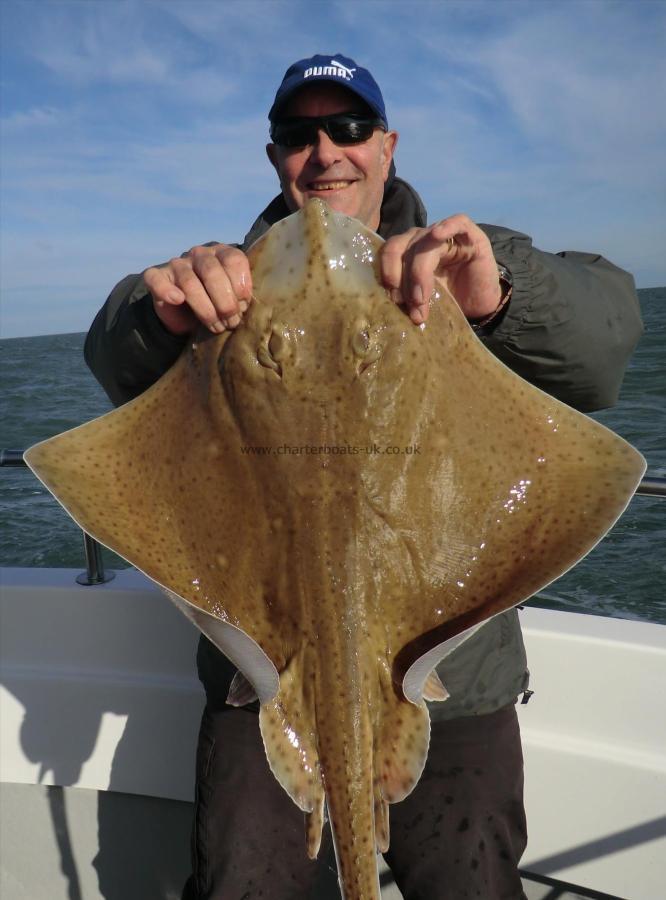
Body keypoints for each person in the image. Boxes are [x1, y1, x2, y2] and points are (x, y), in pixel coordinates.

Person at [85, 54, 642, 900]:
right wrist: (152, 319)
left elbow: (604, 349)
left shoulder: (462, 257)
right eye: (297, 135)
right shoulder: (222, 284)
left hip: (454, 661)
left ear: (387, 145)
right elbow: (112, 360)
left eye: (348, 129)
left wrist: (498, 300)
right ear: (274, 156)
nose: (326, 152)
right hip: (264, 677)